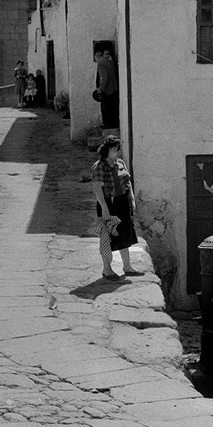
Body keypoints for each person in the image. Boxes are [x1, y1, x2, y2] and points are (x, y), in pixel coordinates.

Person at [91, 136, 143, 280]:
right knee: (108, 236)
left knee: (125, 233)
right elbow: (97, 188)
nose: (117, 153)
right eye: (115, 150)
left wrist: (132, 200)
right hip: (109, 202)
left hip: (122, 201)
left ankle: (127, 266)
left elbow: (128, 182)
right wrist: (105, 208)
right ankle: (107, 269)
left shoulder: (120, 163)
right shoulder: (100, 166)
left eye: (118, 150)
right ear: (106, 150)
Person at [95, 49, 119, 129]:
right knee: (113, 108)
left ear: (97, 57)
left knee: (106, 108)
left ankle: (107, 125)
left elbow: (104, 78)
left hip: (107, 90)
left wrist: (101, 88)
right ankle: (113, 124)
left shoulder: (101, 64)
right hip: (114, 88)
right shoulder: (110, 62)